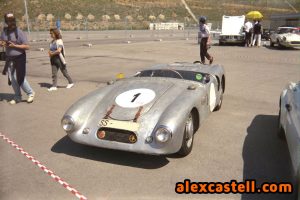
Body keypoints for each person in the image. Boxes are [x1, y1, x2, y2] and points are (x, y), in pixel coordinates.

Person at [0, 13, 35, 104]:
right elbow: (1, 41)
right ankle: (17, 96)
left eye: (12, 20)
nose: (10, 22)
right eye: (8, 20)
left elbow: (27, 46)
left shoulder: (19, 32)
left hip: (19, 57)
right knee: (12, 78)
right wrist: (2, 43)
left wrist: (15, 45)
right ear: (6, 21)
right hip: (9, 58)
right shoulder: (4, 31)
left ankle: (30, 93)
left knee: (18, 76)